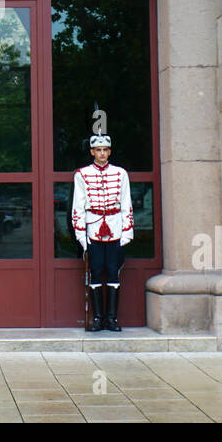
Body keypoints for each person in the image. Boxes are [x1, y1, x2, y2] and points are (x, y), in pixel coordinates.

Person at [71, 134, 133, 332]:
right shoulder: (82, 174)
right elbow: (78, 207)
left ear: (110, 152)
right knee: (96, 273)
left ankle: (112, 319)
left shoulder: (121, 173)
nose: (102, 153)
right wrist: (81, 236)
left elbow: (127, 204)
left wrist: (126, 233)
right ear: (92, 152)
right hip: (93, 229)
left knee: (113, 273)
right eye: (98, 150)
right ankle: (98, 318)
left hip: (115, 229)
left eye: (105, 150)